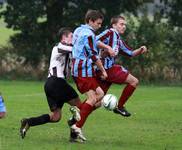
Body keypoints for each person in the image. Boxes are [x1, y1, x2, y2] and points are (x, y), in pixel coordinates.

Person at [20, 27, 82, 139]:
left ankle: (28, 122)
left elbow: (75, 59)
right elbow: (75, 49)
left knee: (56, 117)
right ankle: (73, 134)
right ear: (64, 38)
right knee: (81, 107)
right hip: (56, 82)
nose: (74, 38)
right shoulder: (58, 47)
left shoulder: (68, 52)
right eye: (72, 36)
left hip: (50, 85)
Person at [68, 9, 115, 143]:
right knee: (93, 98)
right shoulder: (88, 34)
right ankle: (76, 127)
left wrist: (105, 46)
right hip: (81, 69)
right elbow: (94, 55)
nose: (100, 26)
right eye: (98, 23)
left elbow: (92, 43)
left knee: (100, 95)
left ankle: (76, 117)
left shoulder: (78, 30)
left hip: (84, 69)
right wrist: (103, 71)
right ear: (90, 21)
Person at [96, 15, 148, 117]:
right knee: (134, 81)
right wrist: (105, 50)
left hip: (105, 71)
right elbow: (93, 40)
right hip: (105, 69)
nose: (124, 26)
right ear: (114, 25)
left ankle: (77, 115)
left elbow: (130, 53)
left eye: (125, 25)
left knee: (96, 101)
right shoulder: (110, 32)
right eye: (121, 24)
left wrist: (141, 49)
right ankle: (120, 106)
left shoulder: (118, 40)